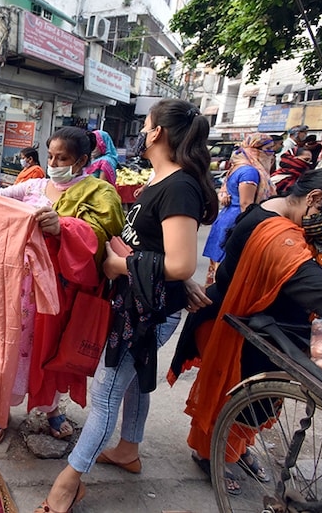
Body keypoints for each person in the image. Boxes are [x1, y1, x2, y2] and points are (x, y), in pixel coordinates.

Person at [39, 99, 218, 512]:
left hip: (146, 311)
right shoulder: (162, 181)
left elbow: (179, 261)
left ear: (156, 133)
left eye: (147, 125)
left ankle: (69, 483)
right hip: (141, 303)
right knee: (136, 380)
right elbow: (162, 250)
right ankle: (128, 450)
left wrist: (119, 264)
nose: (142, 132)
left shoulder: (179, 186)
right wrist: (176, 277)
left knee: (105, 394)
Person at [0, 126, 125, 447]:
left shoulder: (100, 193)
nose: (54, 163)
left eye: (63, 158)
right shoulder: (35, 185)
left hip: (61, 293)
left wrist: (63, 229)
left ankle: (51, 409)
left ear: (82, 160)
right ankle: (1, 413)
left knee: (51, 352)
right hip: (19, 292)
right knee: (12, 350)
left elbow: (103, 236)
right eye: (51, 156)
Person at [169, 167, 322, 496]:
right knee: (235, 400)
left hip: (273, 330)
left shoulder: (295, 218)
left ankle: (234, 449)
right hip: (238, 326)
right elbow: (307, 279)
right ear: (316, 199)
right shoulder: (273, 231)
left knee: (260, 403)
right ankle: (211, 455)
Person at [203, 133, 276, 285]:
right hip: (236, 222)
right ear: (256, 149)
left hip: (229, 219)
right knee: (229, 275)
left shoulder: (240, 166)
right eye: (268, 149)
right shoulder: (250, 172)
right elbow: (246, 204)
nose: (272, 154)